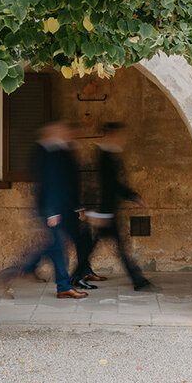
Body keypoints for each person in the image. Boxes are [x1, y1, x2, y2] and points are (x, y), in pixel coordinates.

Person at [0, 120, 90, 299]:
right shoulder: (45, 153)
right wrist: (51, 212)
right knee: (56, 247)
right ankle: (58, 284)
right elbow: (49, 184)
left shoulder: (56, 151)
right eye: (61, 131)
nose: (66, 135)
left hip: (59, 209)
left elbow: (66, 183)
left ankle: (30, 271)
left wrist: (75, 207)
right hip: (51, 210)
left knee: (54, 247)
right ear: (51, 133)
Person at [72, 122, 154, 291]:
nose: (122, 139)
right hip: (104, 212)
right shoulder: (104, 157)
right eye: (119, 136)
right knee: (104, 248)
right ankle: (136, 280)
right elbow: (109, 186)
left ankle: (77, 275)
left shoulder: (109, 155)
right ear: (110, 136)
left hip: (106, 212)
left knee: (102, 247)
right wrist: (132, 197)